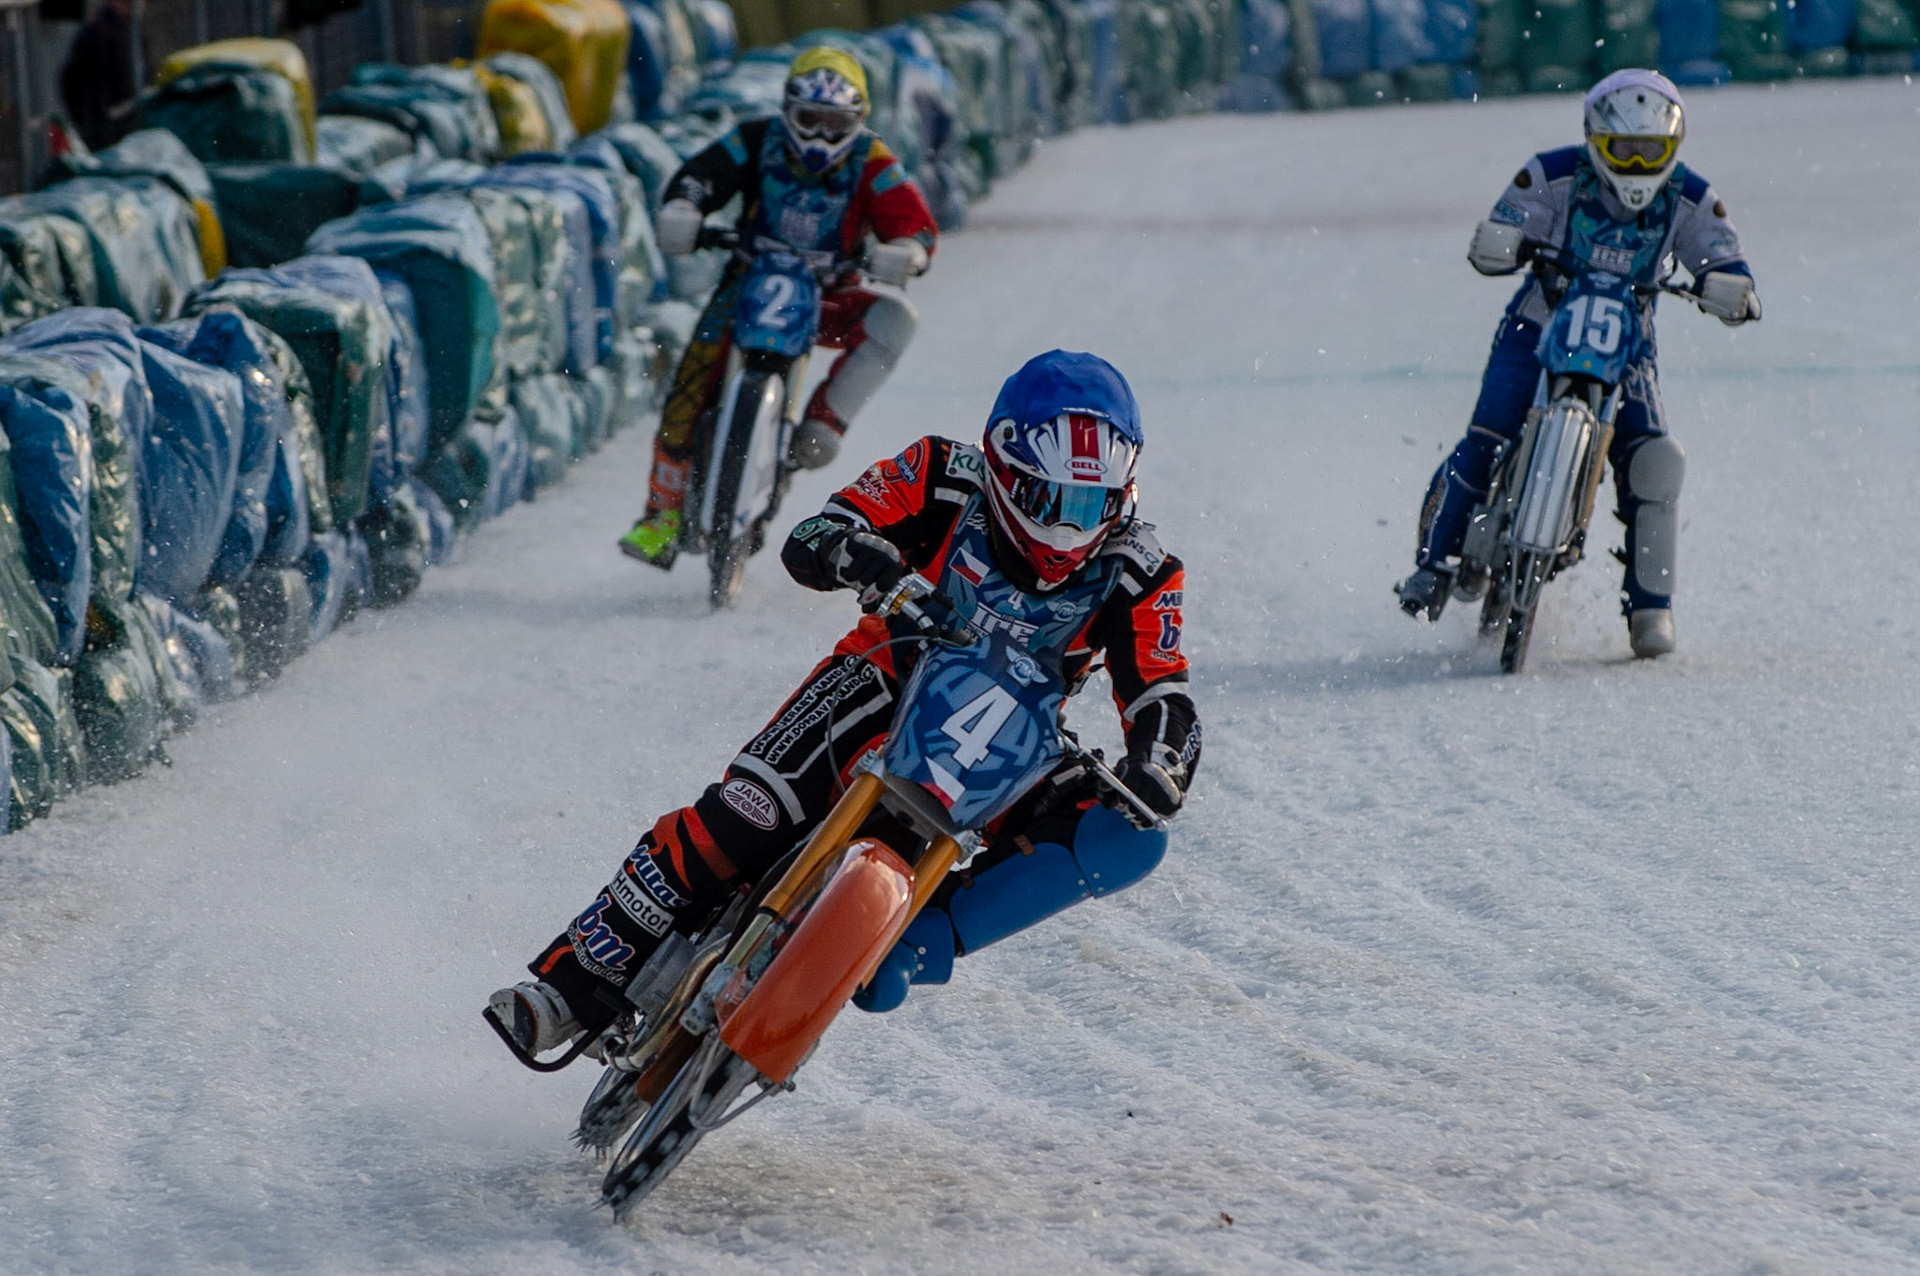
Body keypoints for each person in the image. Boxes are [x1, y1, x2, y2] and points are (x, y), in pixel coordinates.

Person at [497, 350, 1199, 1055]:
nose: (1065, 532)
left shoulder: (1142, 569)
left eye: (1090, 506)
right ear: (1002, 467)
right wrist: (860, 556)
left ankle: (919, 939)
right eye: (1048, 500)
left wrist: (1159, 767)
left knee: (1131, 835)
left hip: (1009, 746)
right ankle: (568, 985)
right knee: (743, 818)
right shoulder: (941, 474)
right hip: (887, 674)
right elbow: (815, 534)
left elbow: (1161, 688)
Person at [1394, 69, 1760, 658]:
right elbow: (1504, 226)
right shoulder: (1550, 174)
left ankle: (1650, 610)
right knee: (1486, 434)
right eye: (1624, 150)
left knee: (1654, 462)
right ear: (1595, 141)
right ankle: (1432, 564)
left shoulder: (1692, 197)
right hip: (1537, 325)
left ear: (1675, 148)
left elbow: (1726, 258)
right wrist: (1501, 242)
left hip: (1628, 344)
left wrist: (1731, 286)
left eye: (1653, 152)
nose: (1639, 167)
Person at [619, 47, 940, 570]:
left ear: (857, 121)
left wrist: (907, 249)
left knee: (896, 318)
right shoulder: (755, 138)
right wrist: (685, 209)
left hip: (833, 292)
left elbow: (911, 218)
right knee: (689, 384)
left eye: (834, 122)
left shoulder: (873, 160)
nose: (819, 135)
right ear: (788, 110)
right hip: (747, 282)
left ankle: (823, 424)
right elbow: (700, 175)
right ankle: (662, 515)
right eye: (809, 119)